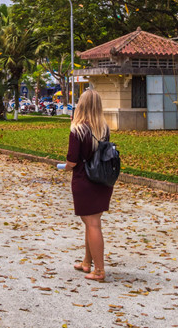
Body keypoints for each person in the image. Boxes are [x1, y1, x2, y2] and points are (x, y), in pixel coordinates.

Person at [64, 89, 113, 282]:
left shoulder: (77, 129)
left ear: (81, 105)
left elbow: (72, 161)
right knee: (92, 222)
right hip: (102, 180)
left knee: (92, 224)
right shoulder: (104, 128)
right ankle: (87, 261)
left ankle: (99, 270)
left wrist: (66, 166)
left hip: (84, 180)